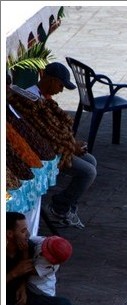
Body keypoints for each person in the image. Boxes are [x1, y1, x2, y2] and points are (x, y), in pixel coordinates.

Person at [27, 62, 97, 229]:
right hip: (45, 151)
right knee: (88, 172)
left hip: (59, 146)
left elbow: (56, 129)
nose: (61, 90)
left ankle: (67, 207)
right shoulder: (33, 99)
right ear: (50, 80)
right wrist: (71, 147)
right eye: (60, 85)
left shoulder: (46, 98)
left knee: (91, 160)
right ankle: (59, 209)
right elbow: (45, 134)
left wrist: (72, 143)